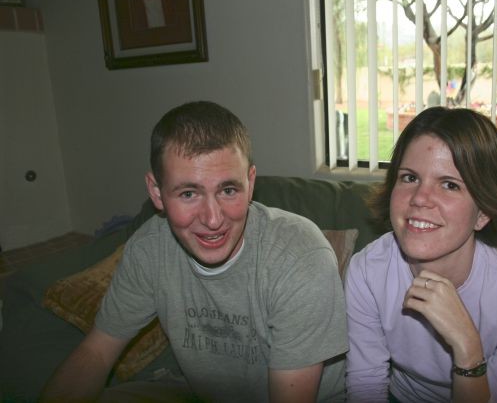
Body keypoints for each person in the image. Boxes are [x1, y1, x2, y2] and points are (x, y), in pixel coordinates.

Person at [41, 101, 348, 402]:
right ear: (156, 192)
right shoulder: (149, 250)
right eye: (189, 193)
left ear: (250, 182)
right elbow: (97, 352)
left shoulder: (299, 256)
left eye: (228, 190)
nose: (213, 219)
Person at [344, 106, 497, 403]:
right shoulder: (367, 272)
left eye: (450, 185)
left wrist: (468, 349)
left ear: (484, 212)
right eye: (410, 178)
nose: (420, 199)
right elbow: (366, 383)